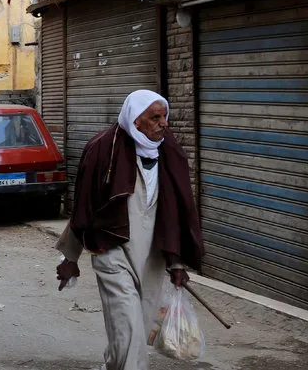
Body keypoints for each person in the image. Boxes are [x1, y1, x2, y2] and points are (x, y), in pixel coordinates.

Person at [55, 90, 204, 370]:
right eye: (155, 117)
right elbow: (83, 209)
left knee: (136, 330)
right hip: (112, 251)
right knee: (128, 329)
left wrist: (177, 262)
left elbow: (179, 211)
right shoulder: (102, 149)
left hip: (152, 256)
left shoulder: (168, 151)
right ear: (136, 121)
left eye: (165, 116)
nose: (164, 123)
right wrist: (70, 258)